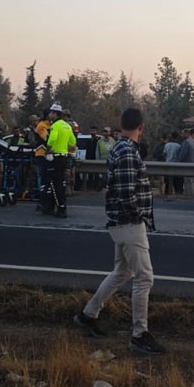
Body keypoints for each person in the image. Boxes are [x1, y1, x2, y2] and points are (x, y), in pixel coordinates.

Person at [73, 107, 165, 356]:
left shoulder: (120, 147)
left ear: (122, 125)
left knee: (122, 271)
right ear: (141, 127)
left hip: (121, 222)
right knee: (144, 277)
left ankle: (88, 314)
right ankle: (139, 335)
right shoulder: (126, 151)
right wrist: (138, 216)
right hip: (129, 223)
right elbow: (126, 193)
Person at [45, 103, 77, 218]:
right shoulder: (67, 126)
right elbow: (73, 142)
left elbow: (51, 139)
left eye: (51, 113)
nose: (50, 115)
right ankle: (53, 206)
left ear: (55, 114)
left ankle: (60, 208)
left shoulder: (56, 125)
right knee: (61, 183)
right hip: (64, 157)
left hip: (55, 157)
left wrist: (48, 151)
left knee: (54, 183)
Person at [174, 129, 194, 196]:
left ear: (187, 134)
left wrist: (177, 162)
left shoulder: (186, 142)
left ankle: (190, 197)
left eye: (183, 134)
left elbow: (182, 155)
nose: (182, 135)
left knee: (188, 183)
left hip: (187, 166)